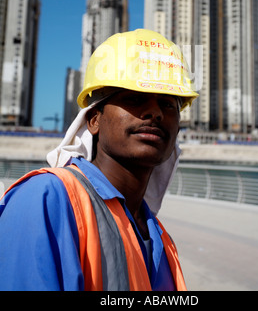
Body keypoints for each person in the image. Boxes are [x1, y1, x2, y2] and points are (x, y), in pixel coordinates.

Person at [0, 29, 199, 291]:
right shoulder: (46, 199)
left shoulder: (159, 236)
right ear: (94, 119)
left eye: (168, 104)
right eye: (135, 99)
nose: (154, 112)